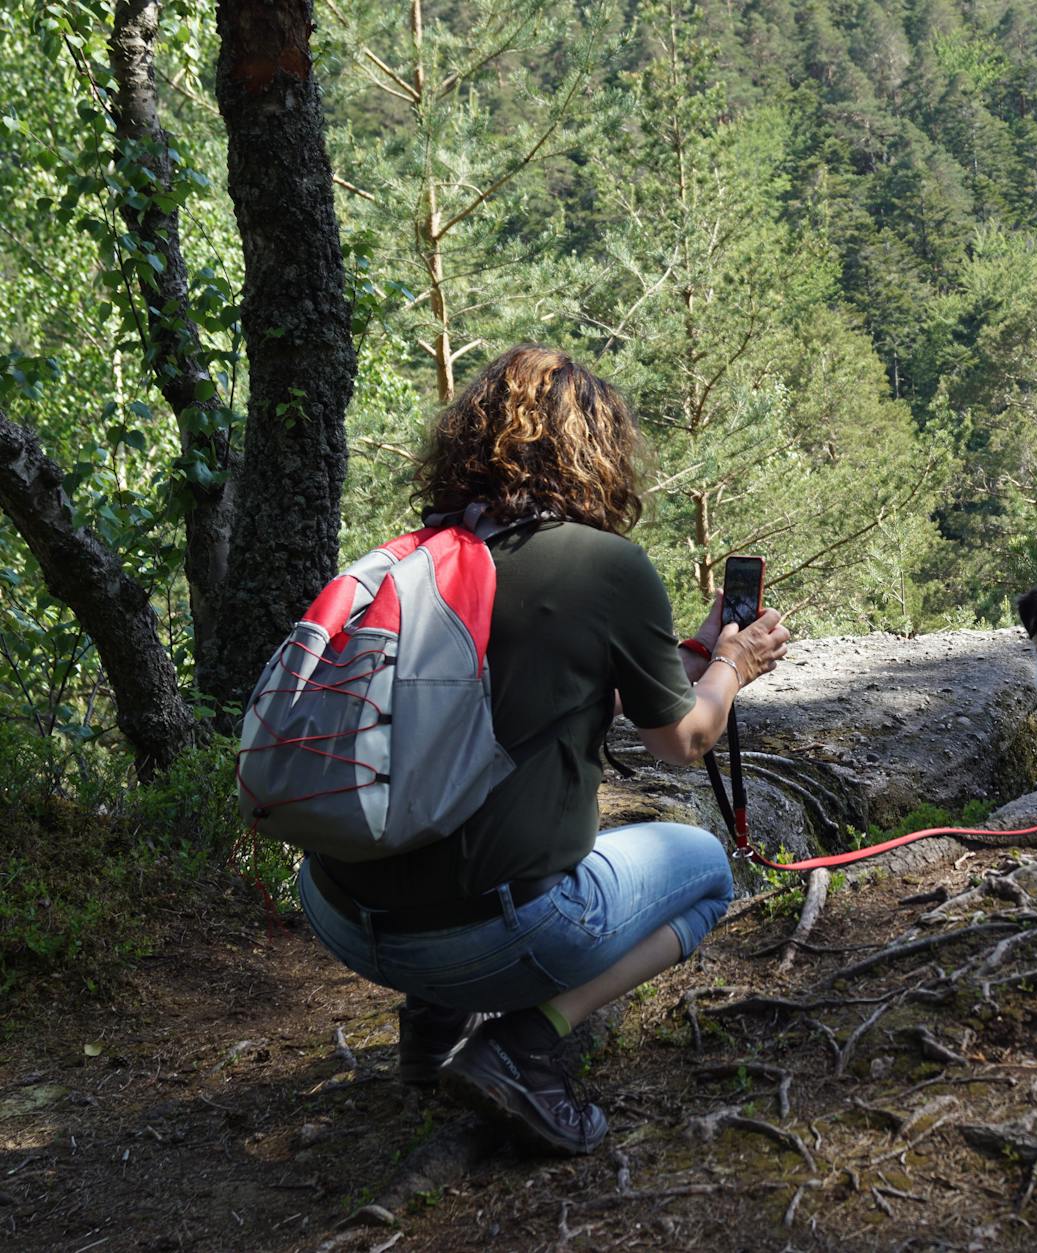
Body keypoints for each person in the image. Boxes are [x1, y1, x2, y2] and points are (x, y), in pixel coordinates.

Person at [296, 345, 790, 1155]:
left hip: (343, 914)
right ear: (596, 450)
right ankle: (524, 1046)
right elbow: (683, 739)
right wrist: (735, 666)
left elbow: (557, 674)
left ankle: (432, 1028)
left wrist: (689, 657)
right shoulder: (607, 565)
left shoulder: (420, 555)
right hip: (488, 937)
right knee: (705, 871)